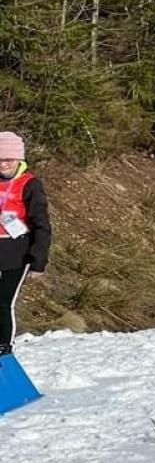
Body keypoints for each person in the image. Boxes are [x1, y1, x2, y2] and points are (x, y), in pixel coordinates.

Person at [0, 132, 50, 358]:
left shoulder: (30, 184)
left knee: (3, 302)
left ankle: (4, 348)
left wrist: (38, 262)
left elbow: (42, 224)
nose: (4, 164)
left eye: (9, 159)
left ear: (19, 160)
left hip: (16, 252)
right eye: (0, 159)